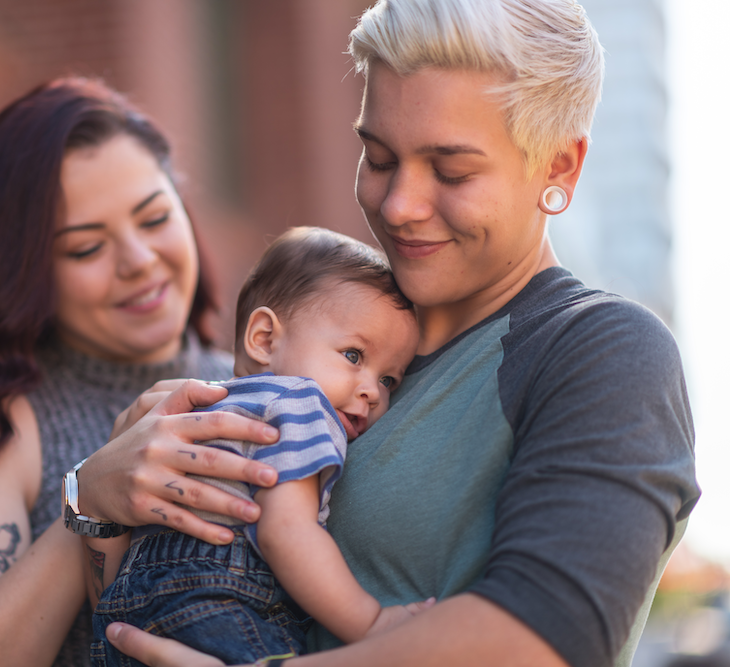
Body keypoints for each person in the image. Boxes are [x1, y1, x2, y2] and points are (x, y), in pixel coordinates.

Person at [64, 1, 701, 666]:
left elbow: (542, 639)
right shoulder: (316, 332)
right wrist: (95, 498)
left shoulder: (605, 351)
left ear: (559, 168)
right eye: (378, 156)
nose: (398, 205)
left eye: (451, 170)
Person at [0, 78, 237, 667]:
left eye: (153, 219)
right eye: (85, 249)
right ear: (24, 276)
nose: (139, 262)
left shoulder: (256, 382)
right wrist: (91, 501)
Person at [87, 227, 424, 666]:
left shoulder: (195, 410)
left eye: (388, 379)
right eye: (355, 356)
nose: (372, 393)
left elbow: (127, 552)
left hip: (122, 619)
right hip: (223, 599)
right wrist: (372, 624)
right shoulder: (301, 403)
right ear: (264, 338)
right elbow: (286, 532)